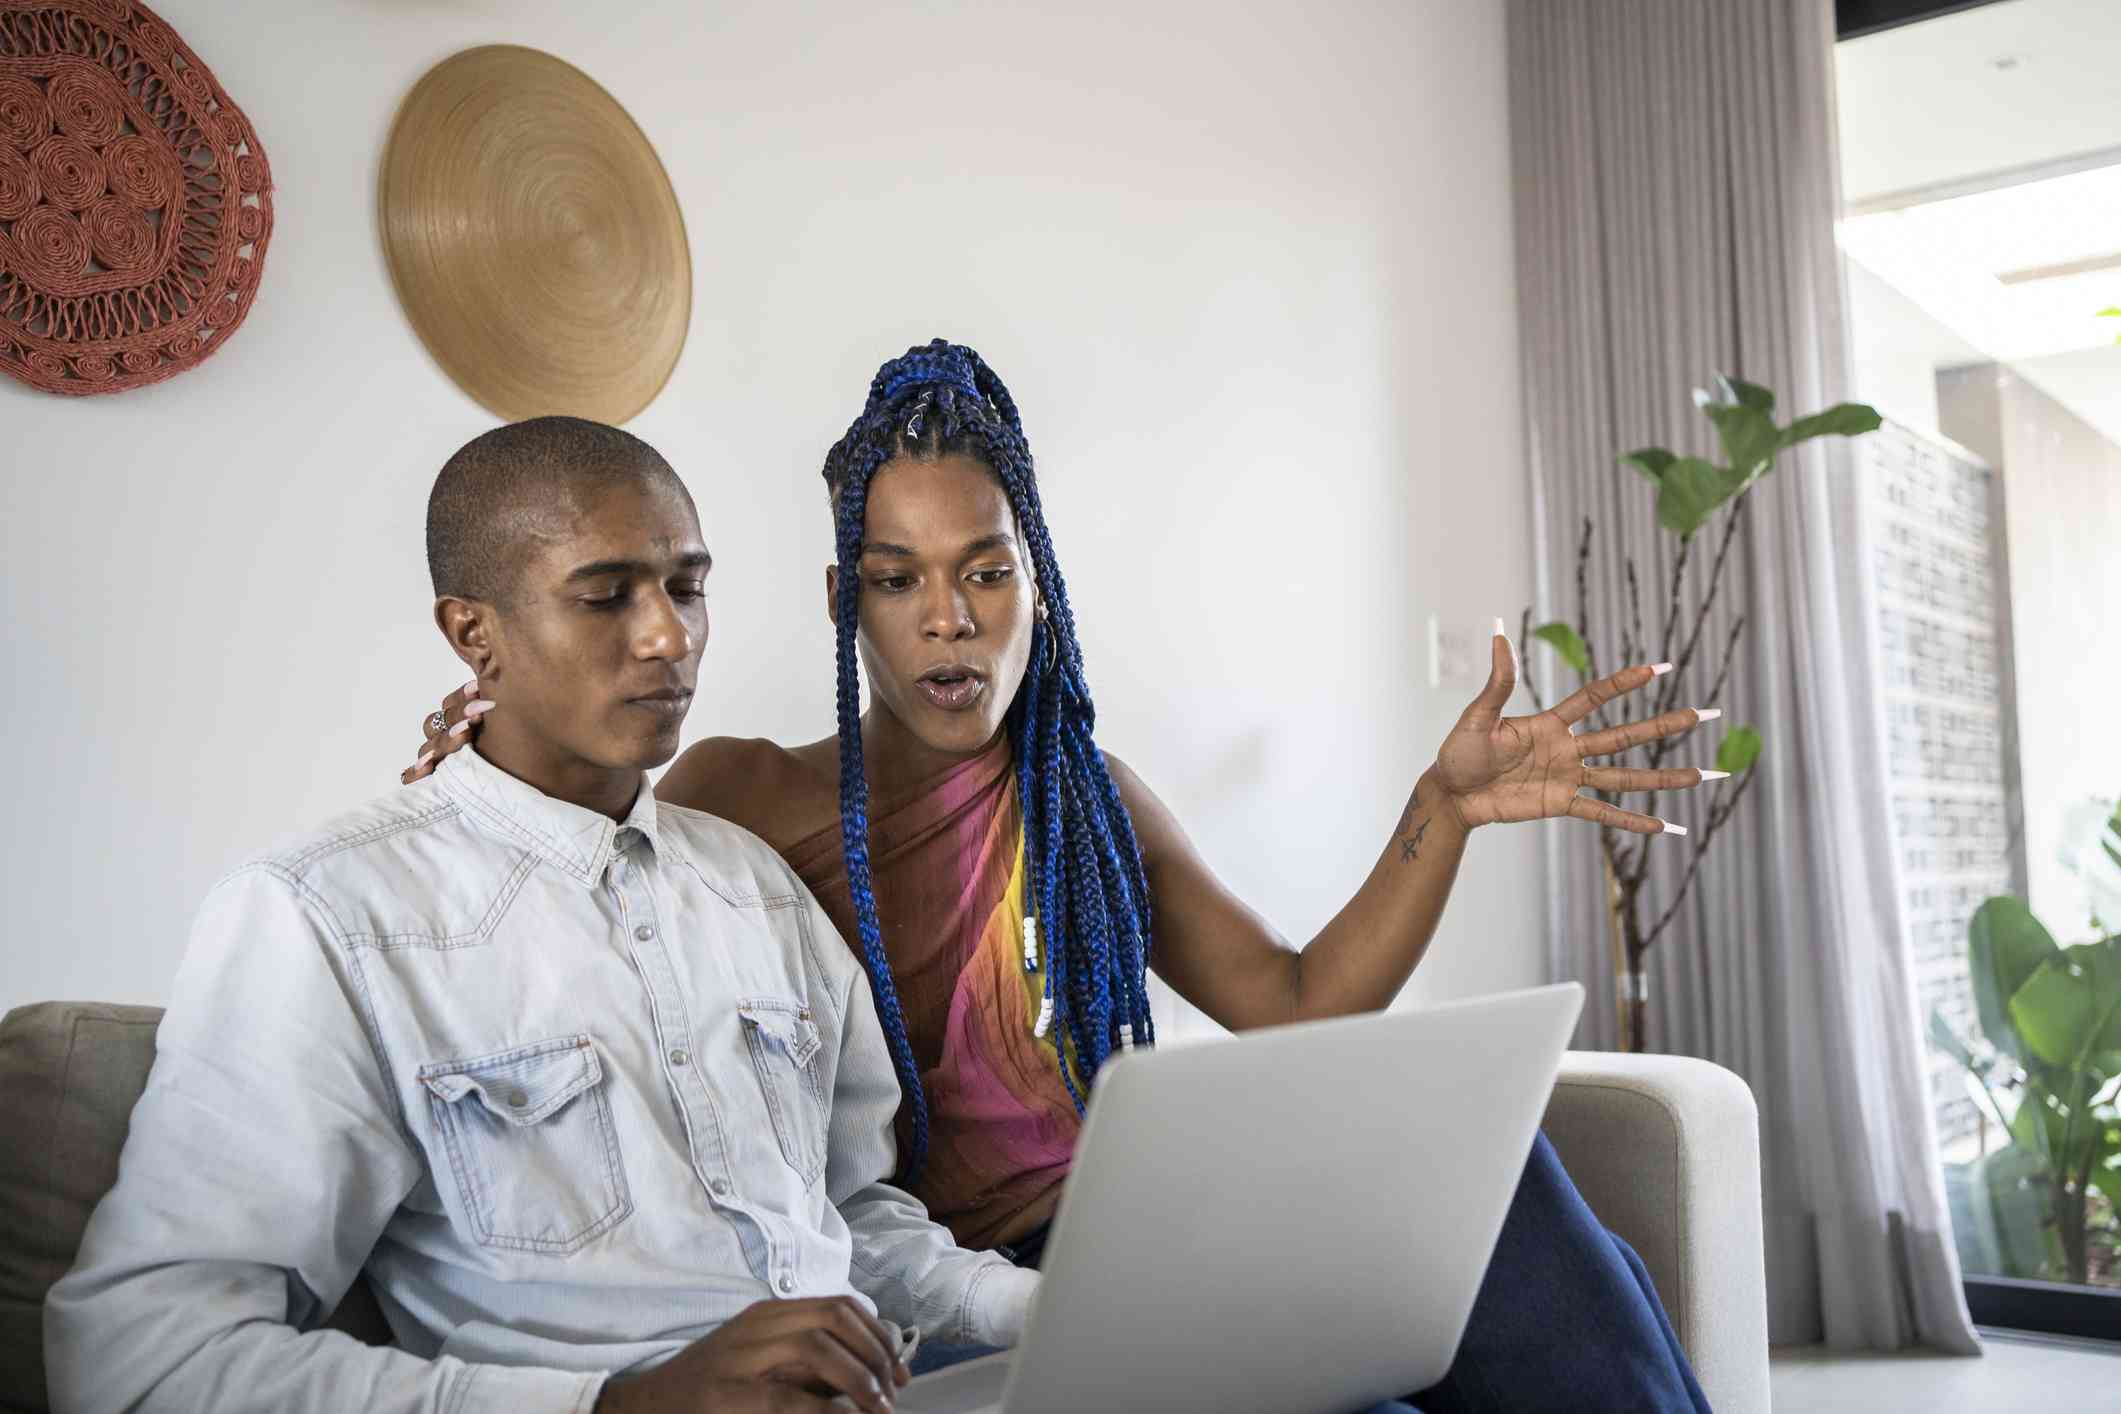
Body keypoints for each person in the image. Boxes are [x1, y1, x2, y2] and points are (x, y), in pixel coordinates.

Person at [406, 342, 1717, 1411]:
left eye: (987, 570)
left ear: (1039, 589)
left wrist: (1444, 808)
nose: (950, 615)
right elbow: (573, 870)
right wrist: (477, 736)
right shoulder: (740, 796)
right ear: (840, 601)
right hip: (977, 1286)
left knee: (1506, 1173)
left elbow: (1298, 998)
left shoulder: (1080, 798)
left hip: (1161, 1222)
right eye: (896, 578)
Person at [47, 418, 1053, 1414]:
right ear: (473, 633)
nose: (670, 635)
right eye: (608, 595)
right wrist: (620, 1403)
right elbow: (144, 1359)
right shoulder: (322, 919)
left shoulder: (757, 891)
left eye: (687, 587)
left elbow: (853, 1216)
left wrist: (1047, 1305)